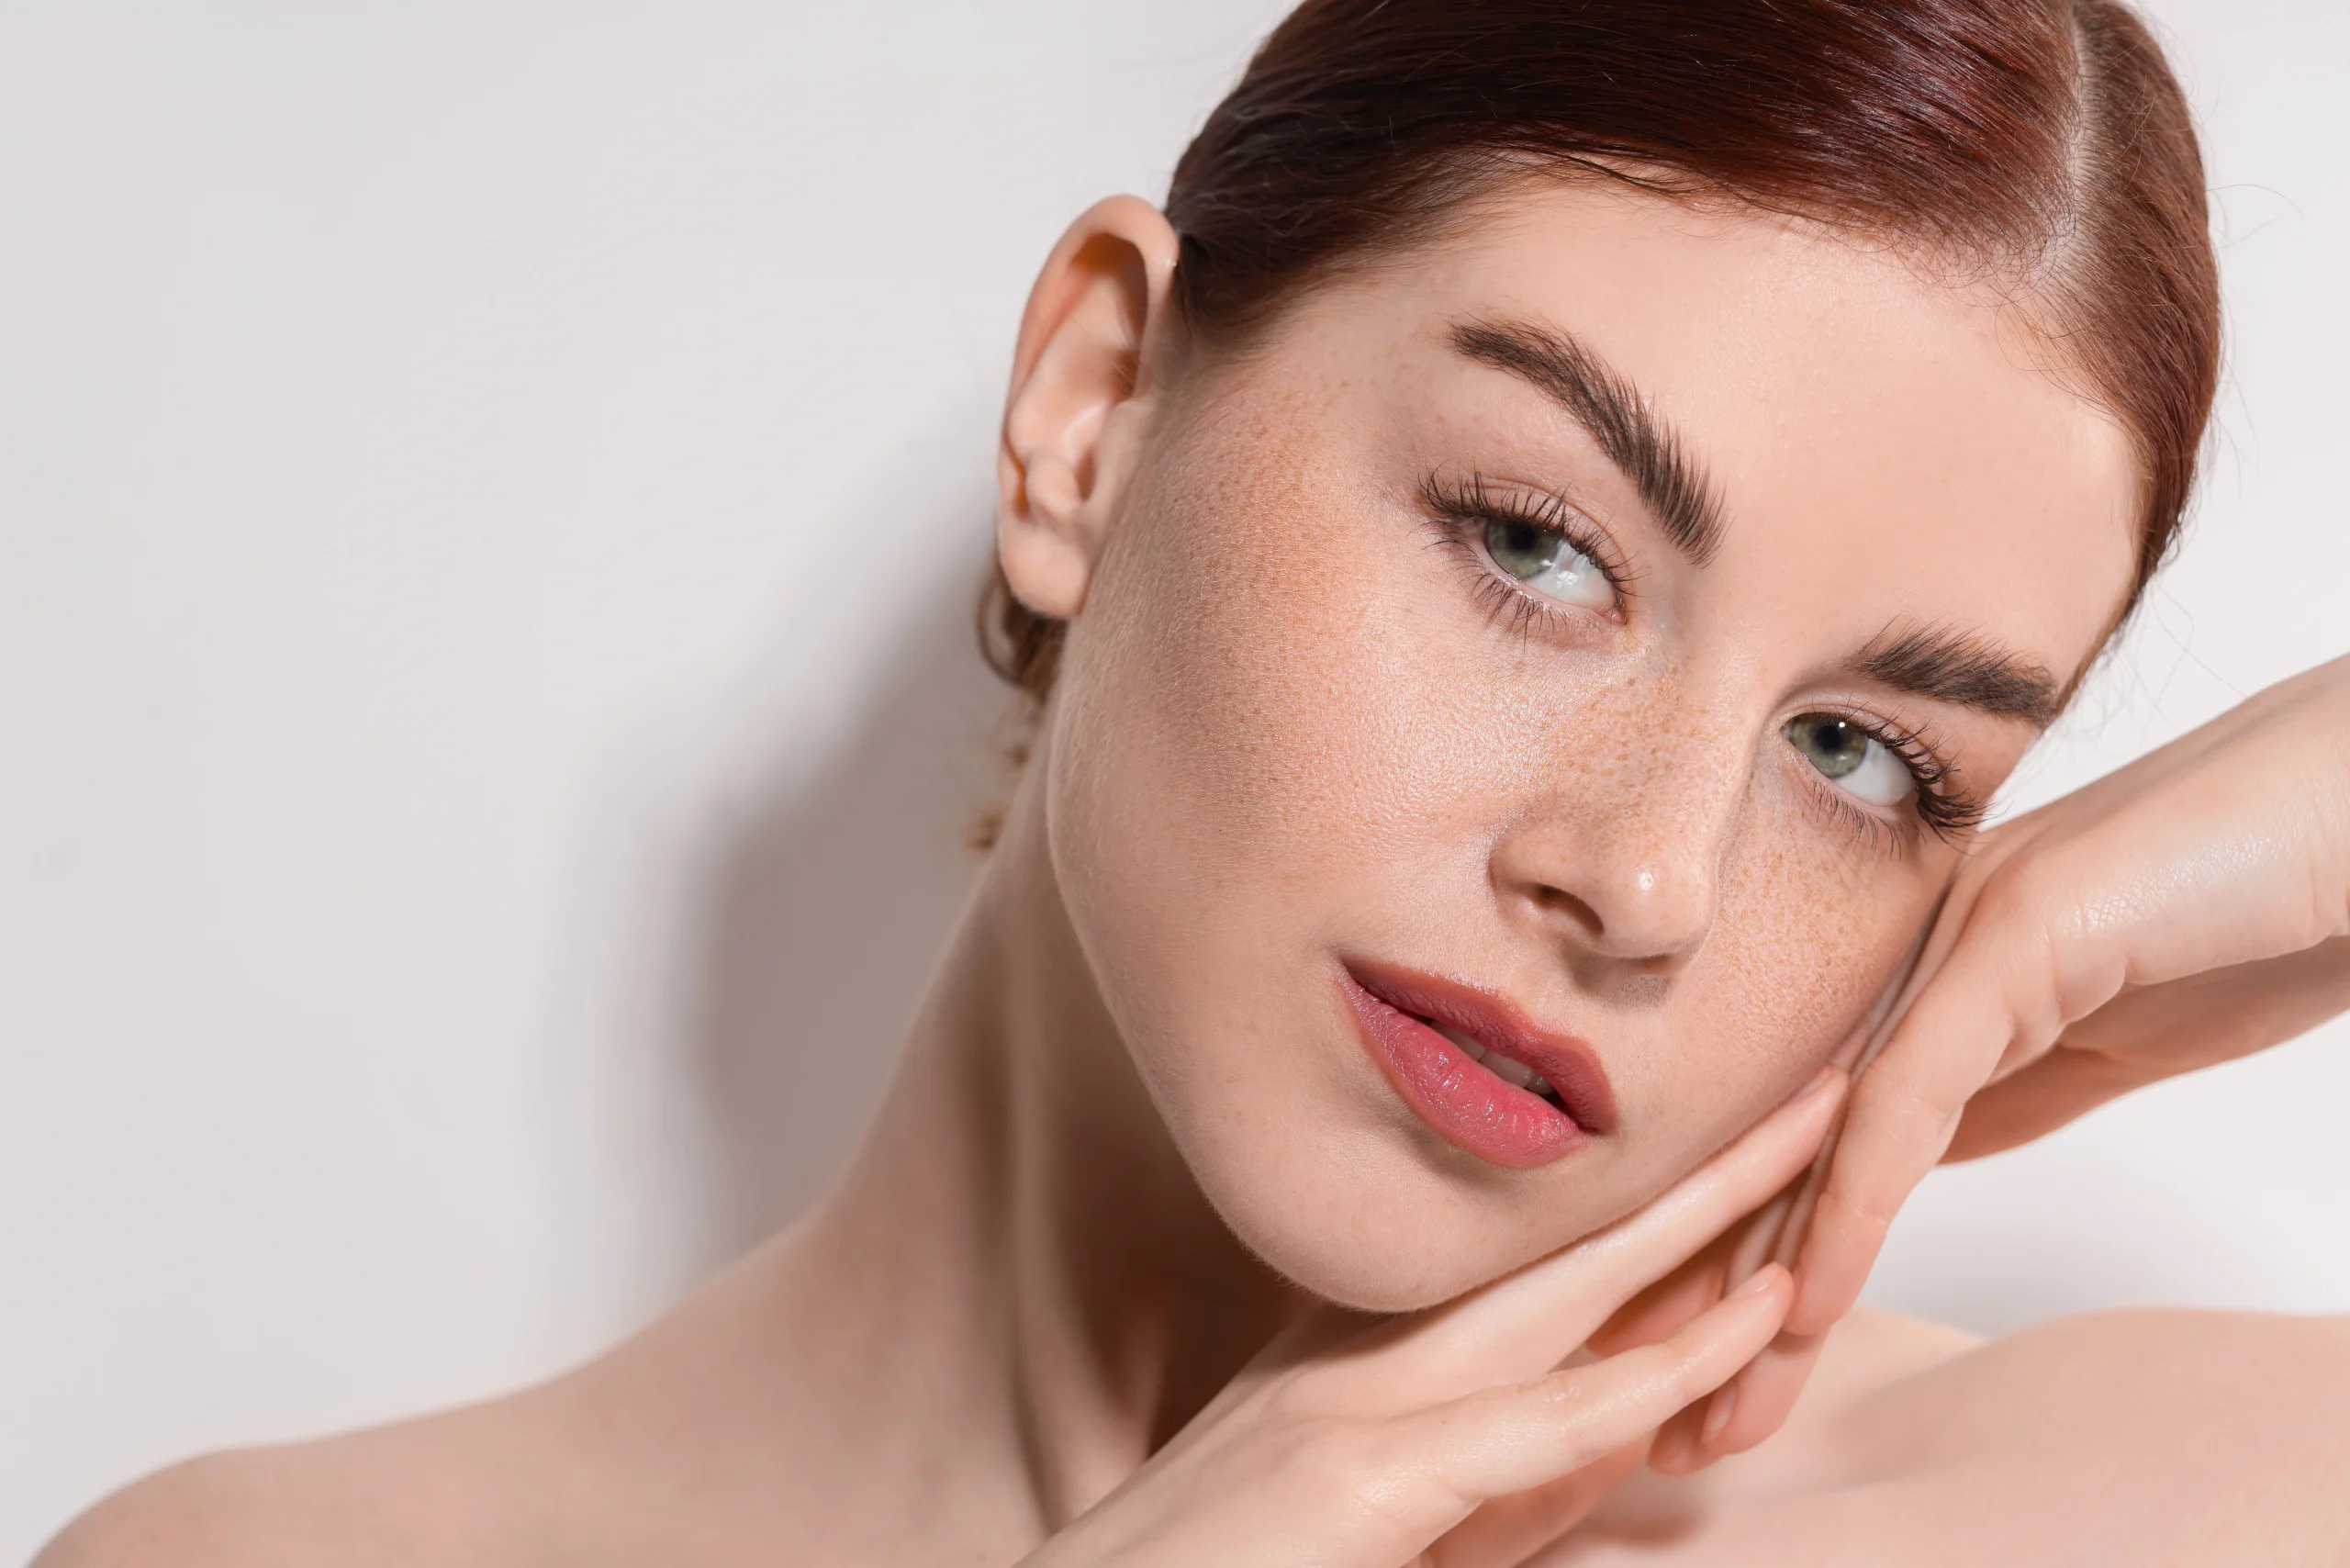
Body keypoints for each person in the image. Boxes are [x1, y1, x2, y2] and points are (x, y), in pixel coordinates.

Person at [40, 0, 2350, 1562]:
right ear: (1091, 402)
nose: (1642, 875)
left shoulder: (2087, 1506)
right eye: (1536, 545)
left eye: (1861, 752)